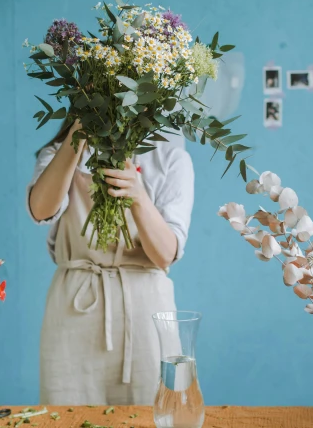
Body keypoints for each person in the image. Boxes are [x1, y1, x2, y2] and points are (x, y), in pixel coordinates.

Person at [27, 119, 194, 405]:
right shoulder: (59, 152)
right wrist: (78, 134)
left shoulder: (170, 158)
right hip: (73, 314)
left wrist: (138, 195)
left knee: (154, 412)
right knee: (67, 417)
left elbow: (166, 254)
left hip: (145, 317)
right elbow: (40, 210)